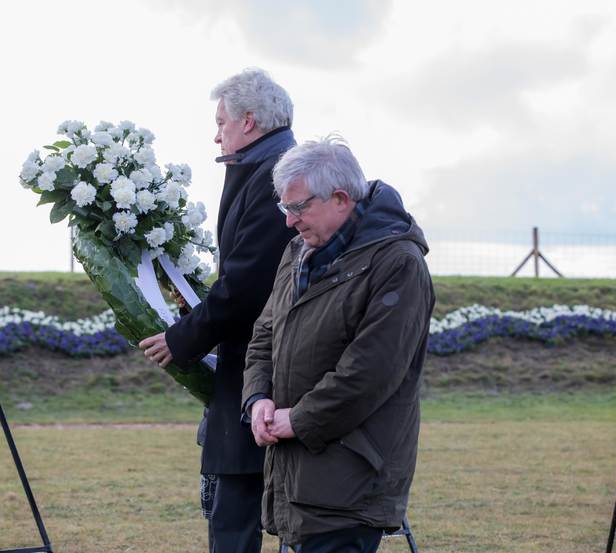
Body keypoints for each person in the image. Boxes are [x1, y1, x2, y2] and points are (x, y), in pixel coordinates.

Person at [241, 136, 435, 552]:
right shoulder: (298, 252)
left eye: (298, 208)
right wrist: (258, 398)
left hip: (350, 480)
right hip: (296, 475)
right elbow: (264, 335)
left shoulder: (398, 263)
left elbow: (370, 372)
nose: (289, 221)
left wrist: (300, 419)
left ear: (341, 199)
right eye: (285, 207)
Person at [138, 68, 298, 553]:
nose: (216, 133)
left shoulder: (279, 177)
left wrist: (182, 339)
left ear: (249, 122)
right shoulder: (263, 165)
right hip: (258, 358)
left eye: (221, 121)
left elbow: (246, 286)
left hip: (264, 364)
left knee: (236, 511)